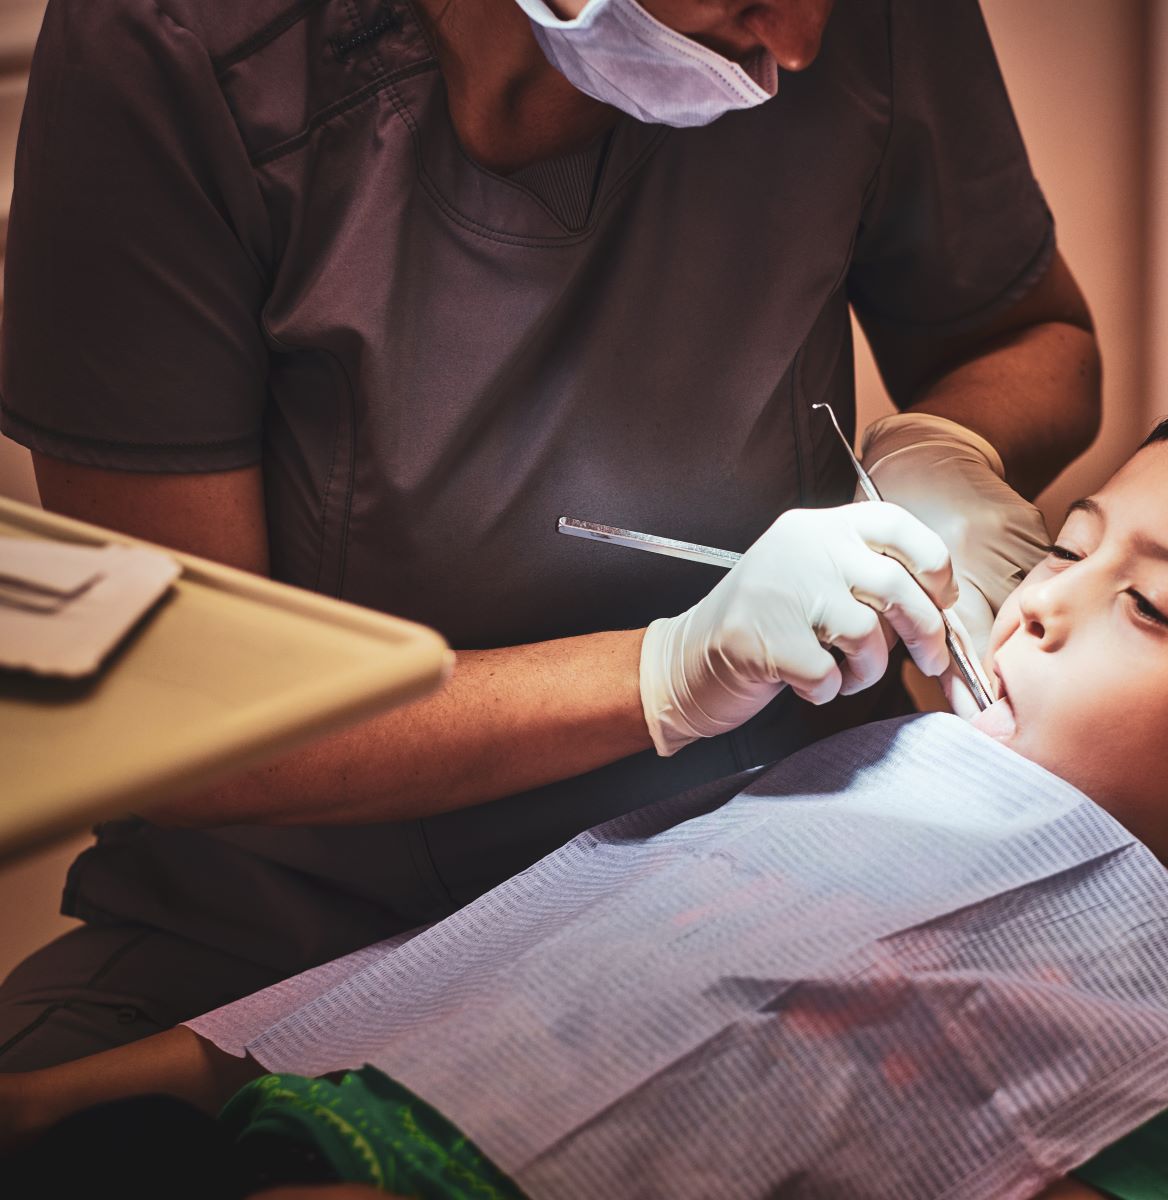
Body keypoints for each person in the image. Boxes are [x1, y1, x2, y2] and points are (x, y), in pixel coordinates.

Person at [0, 404, 1168, 1198]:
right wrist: (73, 1095)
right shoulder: (853, 773)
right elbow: (466, 967)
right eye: (1066, 548)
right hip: (307, 1117)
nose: (1036, 606)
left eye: (1146, 609)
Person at [0, 0, 1102, 1068]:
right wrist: (666, 670)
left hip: (758, 871)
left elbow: (1031, 335)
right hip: (287, 929)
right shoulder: (176, 44)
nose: (806, 41)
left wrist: (942, 455)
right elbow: (189, 723)